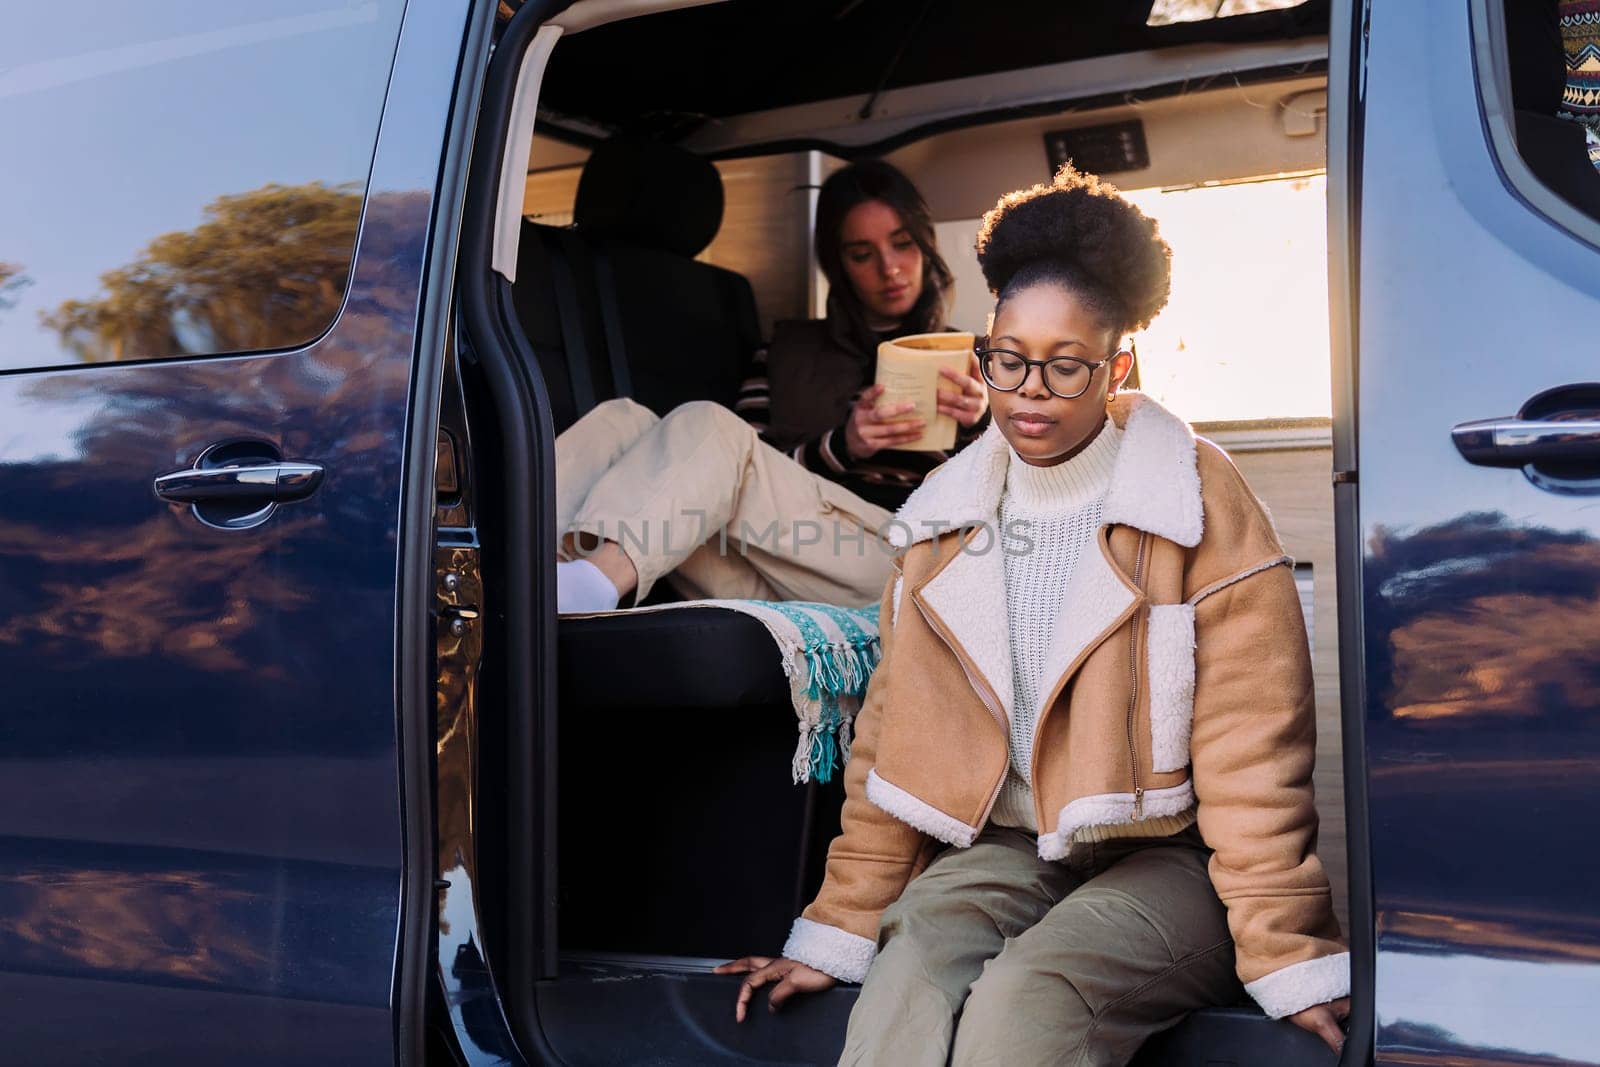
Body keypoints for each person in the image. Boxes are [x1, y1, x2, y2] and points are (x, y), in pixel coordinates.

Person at [715, 165, 1351, 1063]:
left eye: (1065, 365)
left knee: (1025, 1002)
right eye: (1007, 359)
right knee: (905, 980)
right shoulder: (941, 518)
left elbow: (1257, 754)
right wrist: (839, 925)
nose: (1029, 391)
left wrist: (1289, 956)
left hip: (1171, 859)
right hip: (1007, 846)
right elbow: (888, 747)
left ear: (1117, 365)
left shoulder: (1196, 501)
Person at [554, 159, 989, 613]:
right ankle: (523, 588)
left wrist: (984, 423)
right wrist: (843, 446)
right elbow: (730, 466)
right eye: (862, 254)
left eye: (903, 245)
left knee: (709, 423)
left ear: (926, 244)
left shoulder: (981, 362)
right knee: (620, 422)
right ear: (838, 264)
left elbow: (1019, 502)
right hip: (773, 563)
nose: (890, 268)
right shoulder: (786, 352)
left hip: (894, 557)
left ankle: (591, 583)